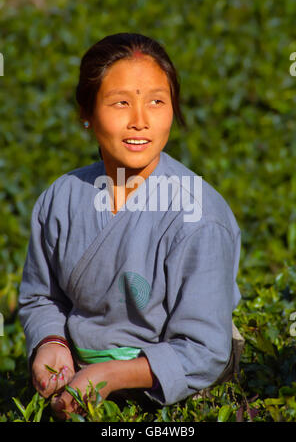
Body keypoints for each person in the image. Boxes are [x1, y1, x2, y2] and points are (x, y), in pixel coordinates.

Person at [18, 32, 243, 420]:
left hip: (171, 390)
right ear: (86, 114)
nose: (140, 121)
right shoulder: (61, 198)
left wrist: (109, 376)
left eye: (157, 102)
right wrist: (50, 343)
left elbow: (204, 350)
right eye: (121, 102)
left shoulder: (199, 216)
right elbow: (41, 297)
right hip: (79, 379)